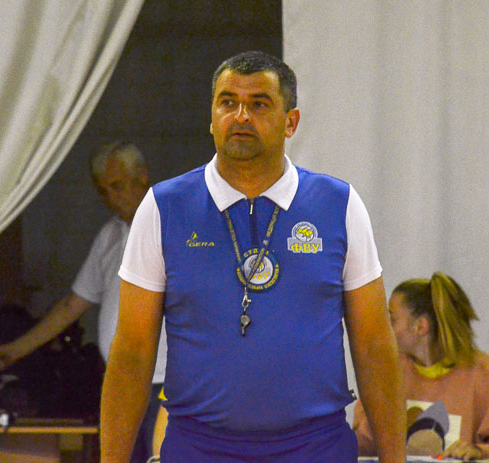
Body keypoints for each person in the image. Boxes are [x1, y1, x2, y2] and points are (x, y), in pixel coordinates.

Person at [100, 50, 406, 463]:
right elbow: (132, 353)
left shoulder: (340, 204)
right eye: (228, 102)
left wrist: (395, 459)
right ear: (211, 118)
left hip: (315, 448)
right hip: (198, 447)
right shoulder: (163, 207)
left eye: (259, 104)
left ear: (291, 121)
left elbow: (373, 345)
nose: (241, 116)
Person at [0, 142, 167, 463]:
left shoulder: (172, 225)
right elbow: (72, 305)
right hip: (121, 380)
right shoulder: (110, 235)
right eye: (103, 191)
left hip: (166, 382)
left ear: (142, 176)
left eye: (117, 186)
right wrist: (16, 349)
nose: (111, 198)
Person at [354, 272, 489, 460]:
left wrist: (479, 452)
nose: (385, 327)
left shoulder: (482, 371)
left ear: (421, 327)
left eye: (392, 319)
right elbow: (362, 445)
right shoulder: (386, 369)